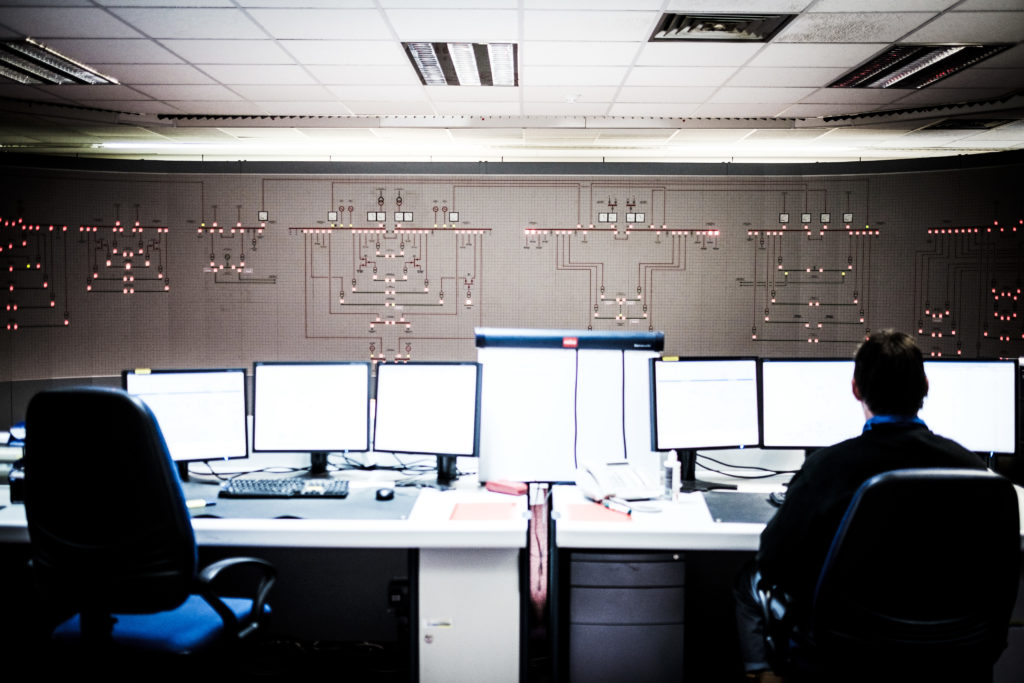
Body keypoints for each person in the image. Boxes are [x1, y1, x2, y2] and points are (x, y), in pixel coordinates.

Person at [734, 330, 985, 682]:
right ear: (925, 386)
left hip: (847, 651)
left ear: (856, 389)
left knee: (751, 578)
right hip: (952, 651)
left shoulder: (827, 468)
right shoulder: (973, 471)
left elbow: (772, 561)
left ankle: (763, 676)